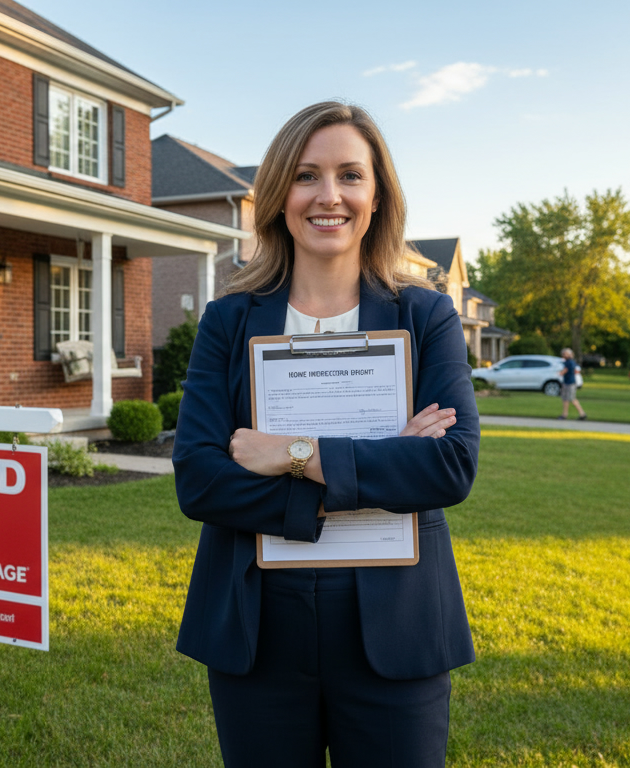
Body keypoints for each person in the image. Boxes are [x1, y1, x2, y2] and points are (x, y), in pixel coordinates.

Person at [172, 101, 480, 767]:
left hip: (396, 627)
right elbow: (199, 479)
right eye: (307, 175)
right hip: (258, 627)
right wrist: (379, 466)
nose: (329, 195)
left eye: (350, 175)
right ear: (280, 193)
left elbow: (451, 466)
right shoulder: (227, 323)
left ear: (377, 195)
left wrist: (292, 454)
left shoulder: (426, 316)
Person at [558, 348, 587, 420]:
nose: (563, 355)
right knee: (566, 399)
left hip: (570, 383)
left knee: (571, 399)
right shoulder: (569, 362)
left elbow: (565, 371)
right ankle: (565, 414)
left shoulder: (569, 362)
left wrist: (559, 373)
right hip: (567, 382)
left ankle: (581, 414)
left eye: (565, 354)